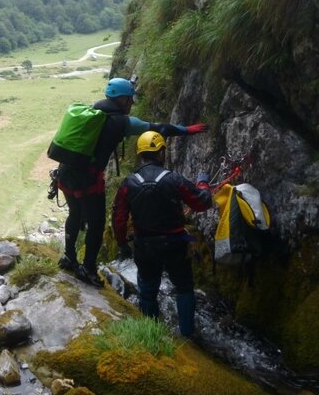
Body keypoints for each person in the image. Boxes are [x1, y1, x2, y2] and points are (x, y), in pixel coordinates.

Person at [56, 77, 207, 288]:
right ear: (123, 99)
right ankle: (88, 268)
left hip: (65, 174)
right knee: (97, 225)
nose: (132, 103)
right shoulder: (123, 122)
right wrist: (185, 130)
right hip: (88, 180)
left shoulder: (91, 112)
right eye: (130, 99)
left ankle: (69, 257)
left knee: (74, 214)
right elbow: (158, 128)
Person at [111, 130, 212, 337]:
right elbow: (202, 202)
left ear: (141, 154)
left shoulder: (128, 183)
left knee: (147, 292)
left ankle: (151, 334)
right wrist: (203, 184)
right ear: (161, 153)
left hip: (144, 246)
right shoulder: (173, 179)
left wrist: (122, 243)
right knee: (184, 288)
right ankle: (187, 335)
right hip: (175, 243)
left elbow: (119, 218)